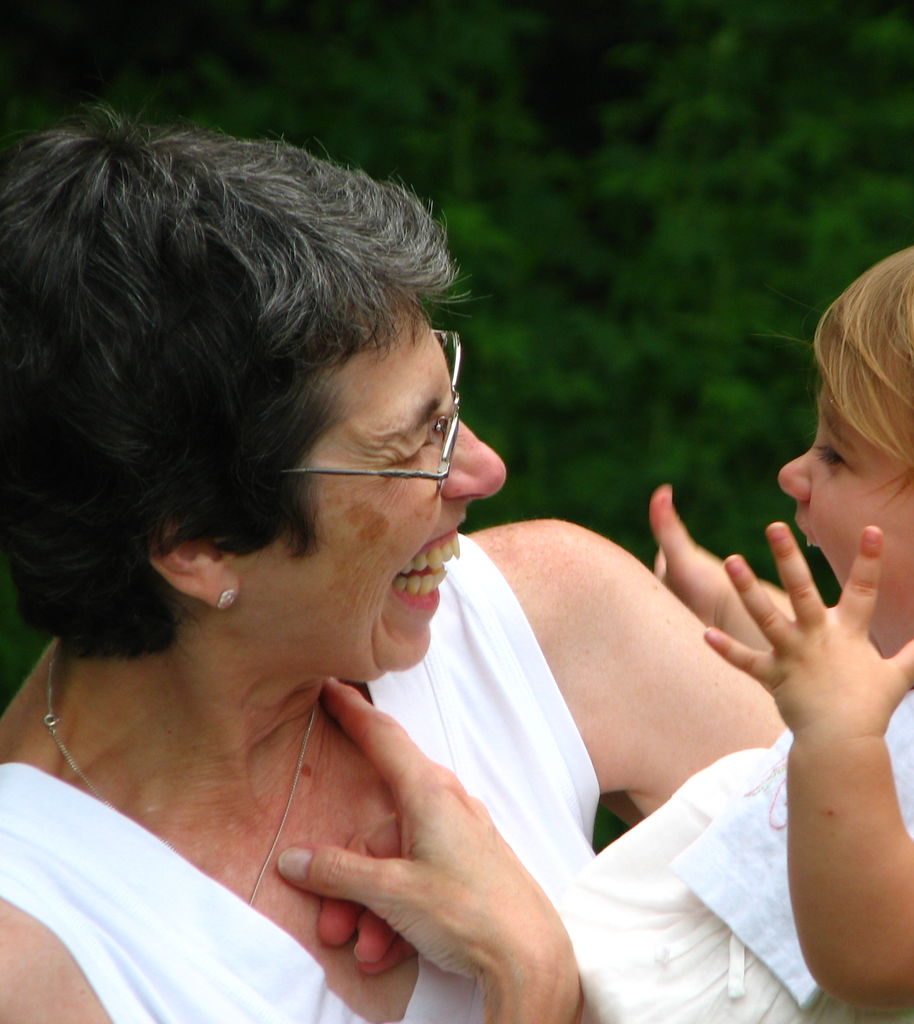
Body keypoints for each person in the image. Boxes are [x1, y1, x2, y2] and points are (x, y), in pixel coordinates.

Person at [304, 227, 914, 1024]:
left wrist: (836, 734)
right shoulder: (913, 678)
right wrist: (723, 613)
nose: (795, 474)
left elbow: (879, 960)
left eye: (838, 453)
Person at [0, 109, 783, 1023]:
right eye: (411, 445)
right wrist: (531, 978)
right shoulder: (38, 950)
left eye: (449, 407)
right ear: (198, 544)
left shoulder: (555, 620)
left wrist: (837, 702)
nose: (484, 471)